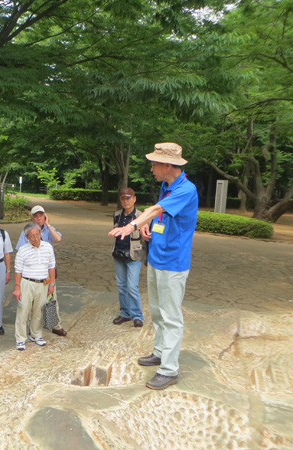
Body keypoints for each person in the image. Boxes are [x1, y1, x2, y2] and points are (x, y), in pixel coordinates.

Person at [109, 142, 198, 390]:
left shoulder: (186, 189)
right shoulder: (166, 186)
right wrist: (149, 225)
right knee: (157, 311)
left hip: (173, 263)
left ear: (167, 165)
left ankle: (169, 370)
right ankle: (160, 352)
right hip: (157, 257)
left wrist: (132, 225)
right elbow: (162, 214)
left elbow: (157, 208)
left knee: (171, 316)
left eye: (154, 164)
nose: (151, 169)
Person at [16, 205, 67, 337]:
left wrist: (48, 225)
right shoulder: (27, 231)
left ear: (45, 216)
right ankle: (31, 328)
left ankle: (53, 324)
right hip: (32, 272)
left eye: (41, 216)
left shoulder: (49, 229)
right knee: (31, 303)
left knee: (51, 298)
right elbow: (21, 251)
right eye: (36, 216)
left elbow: (58, 238)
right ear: (32, 218)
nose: (39, 218)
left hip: (47, 272)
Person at [13, 222, 56, 351]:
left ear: (40, 233)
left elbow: (51, 266)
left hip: (43, 283)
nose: (36, 238)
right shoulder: (23, 250)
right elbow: (18, 270)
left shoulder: (47, 247)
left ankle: (36, 334)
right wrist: (17, 288)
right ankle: (20, 338)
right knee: (23, 310)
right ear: (27, 237)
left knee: (39, 310)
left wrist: (52, 284)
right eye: (32, 236)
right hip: (27, 283)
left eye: (37, 234)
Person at [111, 187, 145, 327]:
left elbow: (145, 235)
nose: (126, 201)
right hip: (118, 253)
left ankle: (137, 315)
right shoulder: (117, 215)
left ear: (134, 199)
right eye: (123, 198)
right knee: (122, 286)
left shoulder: (140, 216)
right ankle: (125, 313)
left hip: (134, 256)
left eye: (128, 198)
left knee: (132, 287)